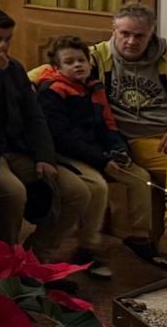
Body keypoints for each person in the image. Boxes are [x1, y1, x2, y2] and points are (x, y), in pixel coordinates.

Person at [0, 6, 87, 264]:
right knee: (13, 194)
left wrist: (45, 156)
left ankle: (36, 258)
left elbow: (34, 115)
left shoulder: (13, 67)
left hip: (17, 146)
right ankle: (1, 262)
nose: (3, 46)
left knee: (77, 192)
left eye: (8, 39)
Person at [34, 34, 132, 278]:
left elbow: (108, 125)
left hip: (92, 151)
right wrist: (102, 159)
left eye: (81, 60)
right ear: (57, 67)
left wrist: (119, 149)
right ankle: (85, 248)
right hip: (61, 153)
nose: (77, 65)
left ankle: (138, 239)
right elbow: (62, 138)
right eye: (69, 62)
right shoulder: (52, 91)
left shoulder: (94, 88)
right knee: (96, 187)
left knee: (135, 178)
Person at [92, 3, 167, 264]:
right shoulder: (97, 57)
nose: (131, 41)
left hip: (166, 133)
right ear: (113, 31)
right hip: (132, 137)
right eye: (125, 33)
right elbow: (48, 72)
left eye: (139, 35)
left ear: (151, 34)